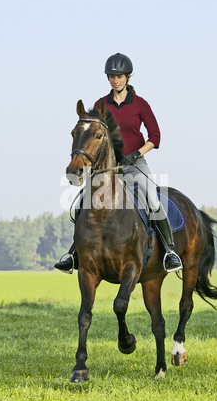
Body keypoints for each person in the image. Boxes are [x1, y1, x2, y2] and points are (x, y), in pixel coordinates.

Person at [55, 53, 182, 273]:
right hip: (106, 168)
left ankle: (170, 252)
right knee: (82, 204)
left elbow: (155, 136)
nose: (116, 80)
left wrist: (136, 154)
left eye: (120, 76)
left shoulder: (141, 104)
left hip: (135, 163)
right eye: (112, 77)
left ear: (128, 77)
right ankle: (75, 253)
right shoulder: (100, 104)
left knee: (152, 199)